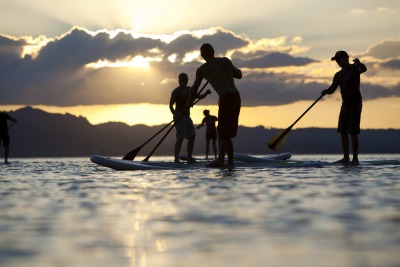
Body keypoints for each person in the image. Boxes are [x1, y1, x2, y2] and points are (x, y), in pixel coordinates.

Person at [188, 43, 242, 169]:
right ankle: (221, 159)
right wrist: (227, 69)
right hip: (236, 96)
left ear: (202, 55)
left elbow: (194, 89)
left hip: (226, 98)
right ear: (213, 51)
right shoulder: (225, 61)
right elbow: (238, 75)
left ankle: (230, 163)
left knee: (224, 134)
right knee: (222, 131)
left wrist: (189, 102)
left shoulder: (202, 69)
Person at [321, 50, 367, 166]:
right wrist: (326, 91)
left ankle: (355, 159)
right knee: (343, 131)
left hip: (355, 103)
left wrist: (359, 63)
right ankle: (346, 158)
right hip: (345, 104)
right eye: (336, 60)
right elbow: (332, 90)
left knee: (353, 132)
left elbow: (364, 69)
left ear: (345, 58)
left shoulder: (354, 69)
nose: (337, 62)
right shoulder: (338, 75)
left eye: (338, 59)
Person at [169, 73, 210, 163]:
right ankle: (176, 159)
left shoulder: (190, 89)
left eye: (186, 79)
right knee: (180, 137)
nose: (185, 81)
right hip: (179, 116)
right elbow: (171, 105)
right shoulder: (176, 91)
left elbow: (199, 96)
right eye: (183, 80)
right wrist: (175, 114)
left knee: (192, 136)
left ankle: (189, 158)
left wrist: (206, 93)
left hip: (187, 116)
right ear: (179, 81)